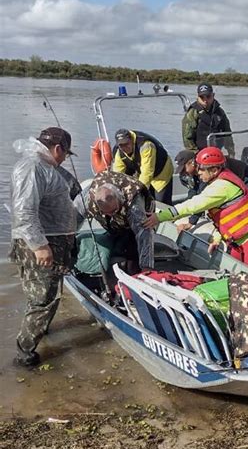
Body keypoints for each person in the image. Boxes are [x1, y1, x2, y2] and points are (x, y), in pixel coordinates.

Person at [10, 127, 77, 367]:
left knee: (41, 295)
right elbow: (25, 213)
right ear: (58, 149)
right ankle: (25, 354)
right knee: (43, 299)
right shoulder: (33, 167)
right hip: (43, 242)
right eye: (66, 154)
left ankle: (39, 330)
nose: (65, 159)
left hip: (53, 239)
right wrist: (40, 246)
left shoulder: (45, 166)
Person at [144, 147, 248, 269]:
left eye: (202, 169)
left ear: (215, 170)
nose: (198, 172)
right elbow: (223, 218)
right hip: (238, 239)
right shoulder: (216, 183)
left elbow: (193, 205)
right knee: (237, 277)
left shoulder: (222, 187)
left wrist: (160, 217)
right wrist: (217, 239)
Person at [76, 171, 154, 272]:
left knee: (131, 254)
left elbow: (144, 233)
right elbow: (72, 218)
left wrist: (146, 267)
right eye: (107, 213)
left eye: (114, 211)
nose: (111, 215)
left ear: (119, 198)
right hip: (111, 226)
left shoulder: (134, 204)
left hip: (134, 220)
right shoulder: (87, 199)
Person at [112, 128, 173, 203]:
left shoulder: (145, 146)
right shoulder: (119, 152)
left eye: (126, 144)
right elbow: (117, 175)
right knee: (146, 201)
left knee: (161, 202)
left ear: (131, 140)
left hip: (161, 172)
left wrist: (137, 193)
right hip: (141, 170)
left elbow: (147, 173)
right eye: (121, 145)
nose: (124, 147)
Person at [182, 83, 235, 157]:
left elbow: (227, 134)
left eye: (208, 96)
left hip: (216, 153)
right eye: (202, 97)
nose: (205, 100)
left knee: (239, 166)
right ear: (198, 97)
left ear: (213, 95)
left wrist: (231, 152)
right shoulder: (193, 113)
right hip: (199, 154)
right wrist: (196, 154)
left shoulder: (220, 112)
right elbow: (187, 138)